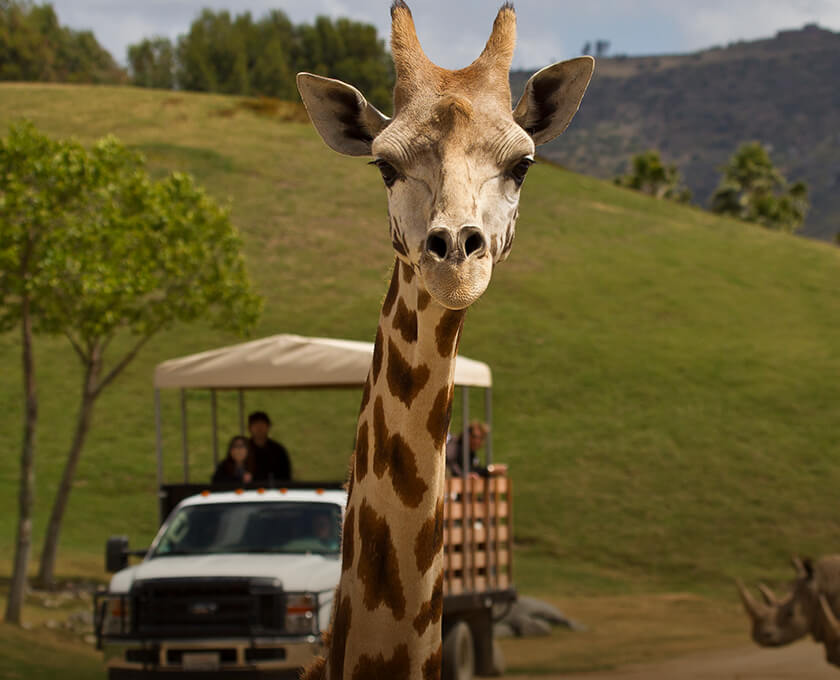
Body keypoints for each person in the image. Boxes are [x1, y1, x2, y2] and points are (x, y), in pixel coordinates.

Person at [248, 411, 292, 483]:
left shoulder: (278, 451)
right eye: (255, 425)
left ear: (268, 427)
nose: (259, 429)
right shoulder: (243, 449)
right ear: (250, 428)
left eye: (262, 425)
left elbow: (286, 476)